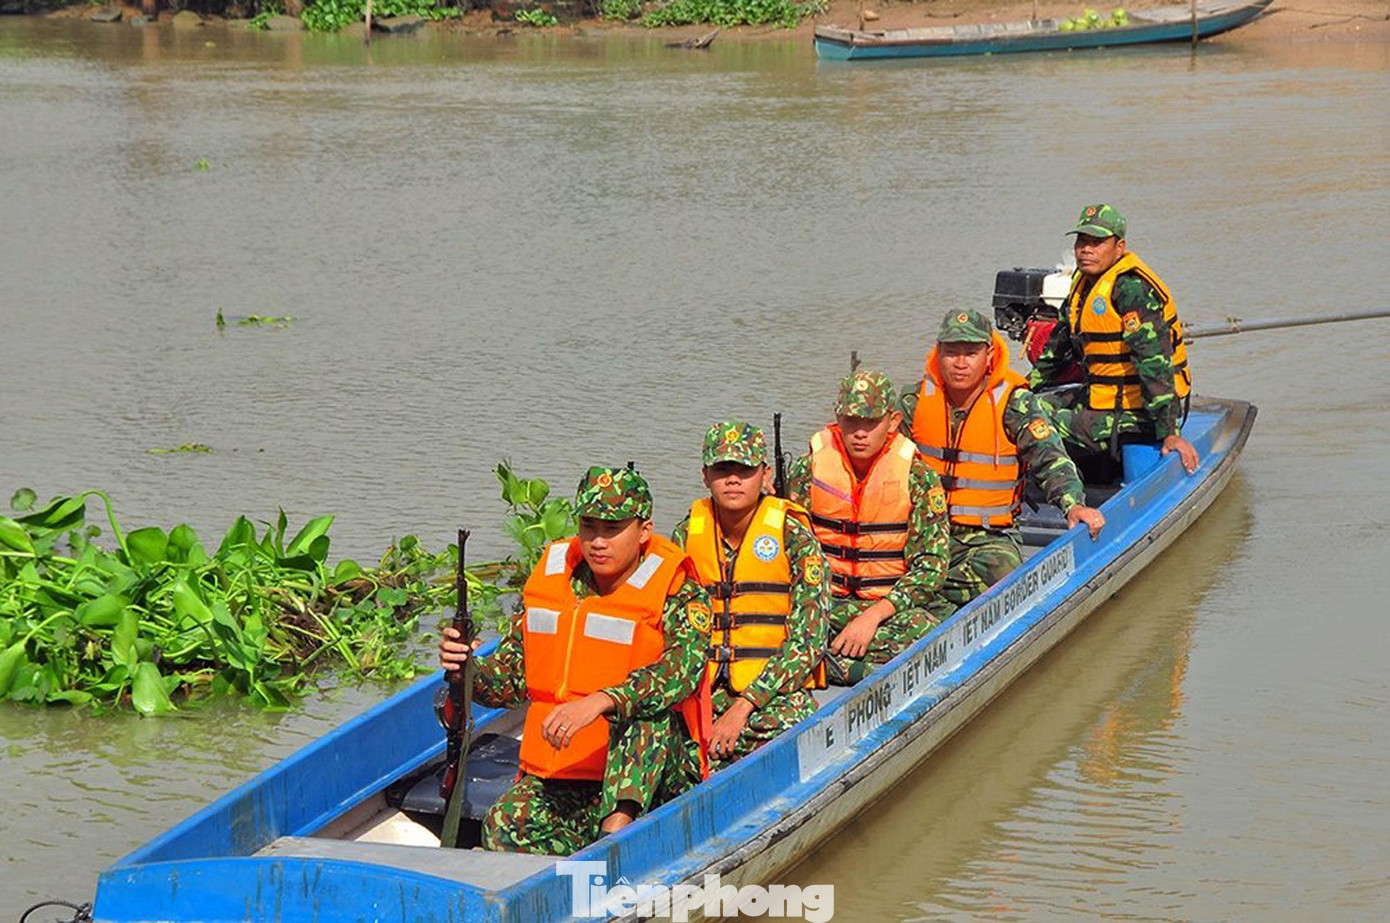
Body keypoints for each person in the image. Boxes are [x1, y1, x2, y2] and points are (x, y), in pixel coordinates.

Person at [437, 466, 711, 856]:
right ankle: (581, 859)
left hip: (650, 776)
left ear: (644, 530)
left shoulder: (679, 592)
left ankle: (619, 833)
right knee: (503, 827)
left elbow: (681, 674)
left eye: (612, 529)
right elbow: (511, 680)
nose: (598, 541)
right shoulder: (555, 585)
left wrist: (601, 700)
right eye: (588, 526)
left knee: (642, 709)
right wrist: (465, 669)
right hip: (569, 769)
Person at [903, 309, 1106, 620]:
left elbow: (1050, 459)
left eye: (970, 353)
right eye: (951, 352)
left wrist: (1073, 505)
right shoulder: (913, 402)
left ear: (988, 354)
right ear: (938, 352)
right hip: (921, 533)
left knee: (1002, 575)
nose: (960, 363)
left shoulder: (1016, 402)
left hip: (986, 539)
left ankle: (939, 608)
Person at [671, 421, 830, 766]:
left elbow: (808, 640)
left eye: (744, 470)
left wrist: (744, 707)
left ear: (764, 474)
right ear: (705, 475)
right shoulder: (685, 535)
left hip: (770, 693)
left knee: (788, 727)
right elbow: (668, 630)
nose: (732, 479)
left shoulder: (794, 537)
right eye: (722, 469)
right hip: (702, 690)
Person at [786, 370, 950, 685]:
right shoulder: (807, 472)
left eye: (870, 423)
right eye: (851, 422)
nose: (860, 433)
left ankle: (827, 663)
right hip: (823, 605)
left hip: (887, 606)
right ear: (837, 418)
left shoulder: (919, 478)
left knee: (926, 632)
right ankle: (843, 662)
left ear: (892, 421)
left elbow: (931, 567)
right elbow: (791, 550)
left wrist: (872, 618)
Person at [1028, 204, 1200, 473]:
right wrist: (1024, 387)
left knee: (1030, 418)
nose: (1086, 249)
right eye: (1081, 241)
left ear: (1119, 247)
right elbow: (1057, 348)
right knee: (1023, 404)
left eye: (1097, 242)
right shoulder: (1082, 282)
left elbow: (1153, 362)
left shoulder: (1131, 289)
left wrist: (1169, 431)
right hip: (1101, 397)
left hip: (1136, 414)